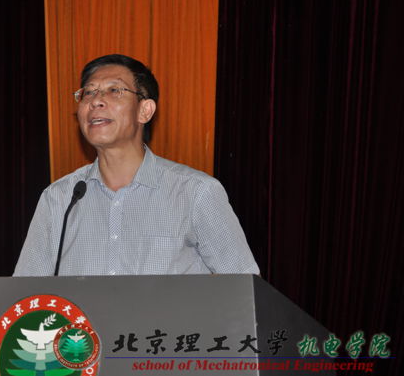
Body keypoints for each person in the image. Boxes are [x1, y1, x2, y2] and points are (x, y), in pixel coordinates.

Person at [14, 54, 259, 276]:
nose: (96, 101)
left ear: (145, 111)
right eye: (88, 92)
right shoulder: (59, 199)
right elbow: (25, 296)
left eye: (114, 90)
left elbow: (245, 287)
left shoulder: (195, 192)